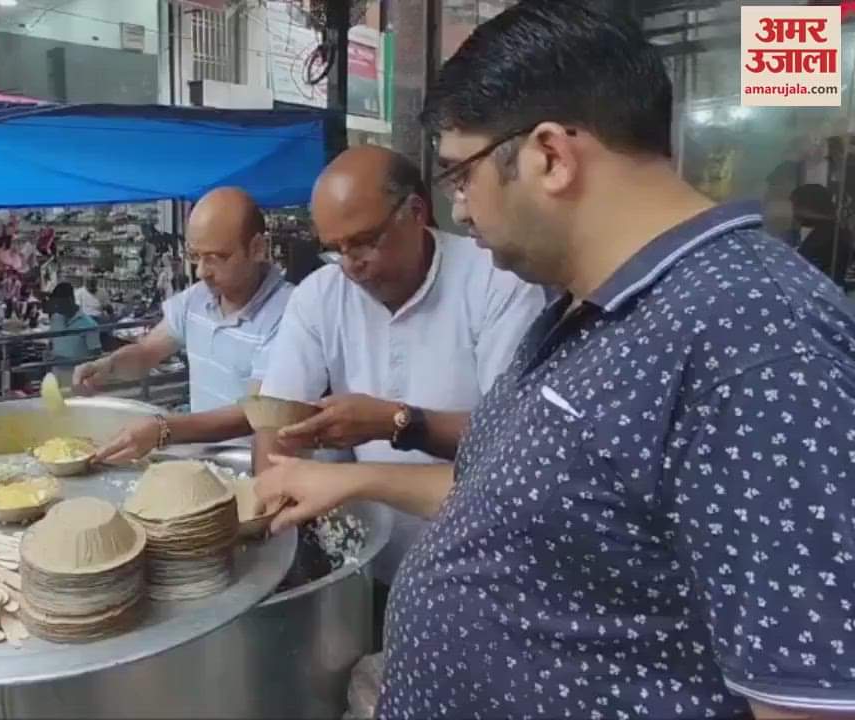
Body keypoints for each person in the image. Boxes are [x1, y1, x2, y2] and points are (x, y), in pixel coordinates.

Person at [256, 3, 855, 718]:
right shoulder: (589, 308)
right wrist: (349, 485)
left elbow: (811, 700)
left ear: (549, 156)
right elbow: (520, 505)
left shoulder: (755, 342)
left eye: (459, 176)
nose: (460, 211)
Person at [253, 145, 545, 618]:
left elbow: (515, 446)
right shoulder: (321, 296)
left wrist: (395, 422)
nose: (351, 265)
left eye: (365, 241)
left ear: (415, 211)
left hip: (480, 567)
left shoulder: (495, 283)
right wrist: (273, 503)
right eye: (335, 248)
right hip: (370, 561)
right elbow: (277, 419)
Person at [73, 187, 293, 462]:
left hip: (255, 467)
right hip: (203, 461)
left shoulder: (289, 314)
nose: (201, 272)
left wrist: (163, 429)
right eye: (195, 256)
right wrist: (108, 366)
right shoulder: (197, 298)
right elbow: (146, 353)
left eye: (216, 257)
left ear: (257, 248)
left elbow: (254, 414)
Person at [790, 183, 852, 288]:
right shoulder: (833, 231)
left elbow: (803, 269)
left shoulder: (826, 236)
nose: (794, 212)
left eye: (796, 207)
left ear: (810, 207)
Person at [47, 281, 101, 385]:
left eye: (60, 304)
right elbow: (51, 343)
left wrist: (69, 361)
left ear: (70, 300)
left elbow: (95, 356)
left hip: (77, 377)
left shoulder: (89, 325)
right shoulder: (55, 318)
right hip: (56, 374)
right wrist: (49, 354)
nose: (57, 307)